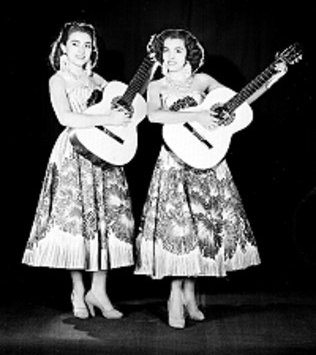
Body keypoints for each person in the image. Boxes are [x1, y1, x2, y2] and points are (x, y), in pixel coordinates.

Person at [135, 28, 287, 329]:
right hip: (175, 164)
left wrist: (272, 76)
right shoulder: (157, 86)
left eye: (178, 50)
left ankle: (190, 294)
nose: (171, 56)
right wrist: (197, 115)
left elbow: (238, 100)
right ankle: (174, 296)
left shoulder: (203, 81)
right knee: (179, 231)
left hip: (207, 162)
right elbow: (154, 116)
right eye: (166, 50)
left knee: (199, 230)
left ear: (189, 52)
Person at [22, 21, 135, 320]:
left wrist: (121, 114)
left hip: (103, 151)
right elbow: (64, 116)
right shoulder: (58, 80)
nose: (82, 50)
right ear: (63, 47)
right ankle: (77, 289)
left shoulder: (98, 79)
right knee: (77, 224)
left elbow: (122, 106)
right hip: (74, 151)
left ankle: (98, 290)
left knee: (105, 220)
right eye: (75, 44)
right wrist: (106, 115)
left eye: (87, 45)